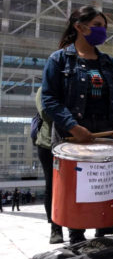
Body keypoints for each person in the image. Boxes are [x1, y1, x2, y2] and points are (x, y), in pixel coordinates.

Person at [41, 6, 113, 254]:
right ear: (79, 27)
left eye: (104, 26)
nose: (103, 31)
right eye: (97, 26)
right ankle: (77, 240)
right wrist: (72, 126)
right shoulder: (59, 60)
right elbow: (49, 99)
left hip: (107, 131)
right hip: (74, 133)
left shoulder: (108, 62)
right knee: (77, 186)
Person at [35, 88, 64, 244]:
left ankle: (99, 225)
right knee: (52, 186)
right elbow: (46, 114)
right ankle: (55, 228)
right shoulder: (44, 89)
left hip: (71, 143)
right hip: (48, 145)